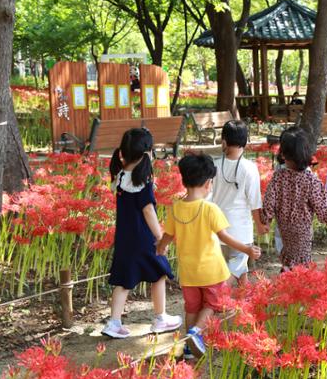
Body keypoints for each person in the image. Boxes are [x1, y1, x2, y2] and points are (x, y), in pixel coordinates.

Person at [157, 153, 261, 357]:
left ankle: (188, 348)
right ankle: (197, 332)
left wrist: (160, 248)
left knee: (192, 308)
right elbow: (226, 237)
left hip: (188, 273)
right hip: (212, 271)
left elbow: (167, 236)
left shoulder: (176, 207)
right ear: (207, 183)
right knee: (212, 305)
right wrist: (247, 250)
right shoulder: (210, 209)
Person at [102, 128, 182, 339]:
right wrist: (160, 237)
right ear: (147, 153)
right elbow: (148, 211)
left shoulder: (119, 177)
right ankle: (160, 317)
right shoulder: (142, 182)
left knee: (124, 280)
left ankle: (114, 322)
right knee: (159, 273)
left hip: (125, 238)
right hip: (144, 238)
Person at [260, 126, 327, 270]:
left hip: (284, 228)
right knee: (302, 260)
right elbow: (321, 202)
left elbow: (269, 200)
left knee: (289, 256)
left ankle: (288, 277)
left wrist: (266, 220)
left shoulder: (278, 177)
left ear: (283, 154)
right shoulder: (310, 179)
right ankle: (295, 285)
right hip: (303, 229)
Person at [212, 120, 266, 286]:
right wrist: (259, 225)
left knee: (237, 271)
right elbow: (255, 202)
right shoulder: (249, 168)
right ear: (245, 142)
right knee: (236, 270)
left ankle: (242, 304)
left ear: (224, 141)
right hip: (241, 232)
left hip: (218, 230)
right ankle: (219, 301)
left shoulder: (214, 165)